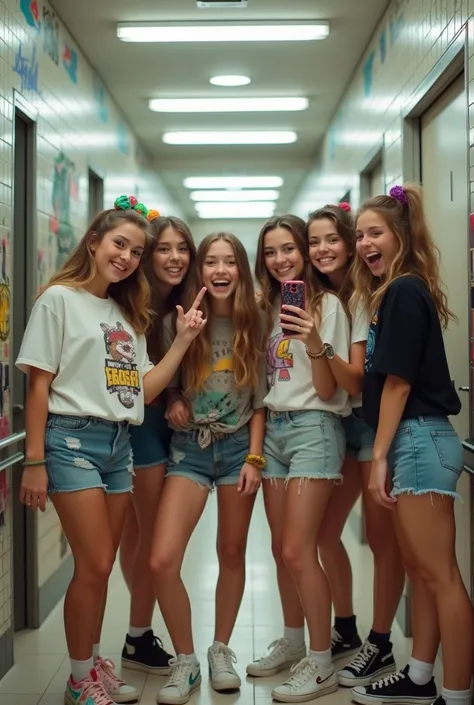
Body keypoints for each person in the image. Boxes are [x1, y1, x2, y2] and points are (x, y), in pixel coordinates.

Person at [16, 196, 206, 705]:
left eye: (135, 251)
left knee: (95, 568)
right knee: (97, 563)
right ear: (94, 242)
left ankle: (91, 662)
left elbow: (144, 389)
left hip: (118, 445)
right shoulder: (58, 299)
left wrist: (184, 341)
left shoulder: (127, 311)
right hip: (70, 439)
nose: (126, 257)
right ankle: (80, 681)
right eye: (119, 244)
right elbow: (38, 386)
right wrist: (35, 461)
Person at [350, 184, 473, 705]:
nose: (363, 243)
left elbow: (397, 383)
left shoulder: (403, 291)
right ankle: (420, 678)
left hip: (419, 439)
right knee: (423, 573)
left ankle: (457, 692)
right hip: (417, 441)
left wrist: (377, 458)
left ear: (400, 235)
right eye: (359, 235)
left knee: (441, 577)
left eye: (375, 232)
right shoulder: (394, 292)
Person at [149, 232, 267, 705]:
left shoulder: (257, 321)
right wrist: (176, 399)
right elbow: (167, 382)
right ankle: (186, 660)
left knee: (232, 551)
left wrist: (255, 458)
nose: (220, 270)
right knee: (161, 560)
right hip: (189, 450)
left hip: (240, 448)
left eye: (230, 262)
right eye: (211, 262)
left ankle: (220, 650)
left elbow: (261, 401)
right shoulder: (178, 320)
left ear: (241, 269)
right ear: (199, 271)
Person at [247, 214, 350, 703]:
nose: (280, 259)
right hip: (276, 434)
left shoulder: (326, 305)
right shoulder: (269, 308)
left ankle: (321, 662)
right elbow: (269, 385)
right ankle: (292, 643)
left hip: (315, 429)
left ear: (305, 254)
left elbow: (329, 388)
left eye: (288, 248)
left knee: (297, 550)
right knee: (279, 550)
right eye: (270, 252)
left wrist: (313, 342)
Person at [308, 202, 404, 686]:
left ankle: (381, 642)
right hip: (337, 427)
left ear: (348, 243)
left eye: (332, 240)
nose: (323, 250)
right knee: (324, 532)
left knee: (383, 539)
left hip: (370, 424)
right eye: (314, 242)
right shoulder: (314, 297)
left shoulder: (368, 293)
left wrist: (319, 348)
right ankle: (344, 627)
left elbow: (355, 382)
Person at [120, 215, 196, 675]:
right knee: (147, 534)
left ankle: (137, 632)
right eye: (163, 249)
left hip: (173, 422)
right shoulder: (133, 302)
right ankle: (138, 634)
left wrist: (177, 395)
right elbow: (145, 381)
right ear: (148, 256)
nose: (174, 258)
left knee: (140, 533)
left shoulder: (188, 302)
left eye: (182, 248)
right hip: (140, 424)